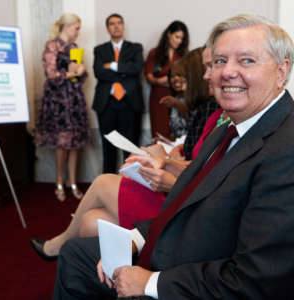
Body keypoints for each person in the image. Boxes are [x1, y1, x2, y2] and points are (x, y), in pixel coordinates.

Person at [53, 14, 294, 299]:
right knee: (76, 253)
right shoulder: (229, 128)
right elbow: (184, 202)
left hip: (191, 279)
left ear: (281, 71)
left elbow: (257, 280)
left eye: (246, 61)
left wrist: (151, 283)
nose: (226, 72)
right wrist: (134, 238)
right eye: (219, 61)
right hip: (172, 248)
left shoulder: (285, 150)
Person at [30, 47, 216, 261]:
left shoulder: (214, 112)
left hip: (180, 203)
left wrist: (167, 161)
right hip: (178, 190)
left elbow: (200, 170)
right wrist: (169, 157)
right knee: (90, 221)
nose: (207, 75)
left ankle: (58, 246)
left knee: (101, 182)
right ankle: (105, 271)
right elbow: (194, 157)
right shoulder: (209, 111)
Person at [35, 13, 90, 201]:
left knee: (74, 143)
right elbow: (51, 74)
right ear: (67, 27)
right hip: (58, 100)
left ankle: (72, 182)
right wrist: (70, 72)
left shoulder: (74, 47)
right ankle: (59, 181)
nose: (78, 32)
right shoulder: (52, 45)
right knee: (62, 142)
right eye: (76, 28)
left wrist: (81, 71)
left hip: (74, 99)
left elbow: (79, 77)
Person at [92, 13, 144, 174]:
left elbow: (136, 68)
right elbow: (99, 72)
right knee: (108, 149)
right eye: (112, 24)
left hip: (129, 102)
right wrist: (124, 70)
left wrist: (113, 65)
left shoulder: (135, 48)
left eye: (119, 23)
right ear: (108, 28)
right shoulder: (100, 50)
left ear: (123, 26)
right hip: (106, 104)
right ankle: (107, 184)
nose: (116, 26)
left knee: (129, 149)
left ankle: (129, 186)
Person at [145, 21, 189, 139]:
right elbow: (149, 76)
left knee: (178, 132)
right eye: (177, 37)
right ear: (169, 34)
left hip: (177, 96)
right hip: (158, 98)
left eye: (182, 38)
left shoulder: (183, 55)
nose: (179, 41)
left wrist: (173, 81)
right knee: (160, 133)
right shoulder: (155, 53)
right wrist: (160, 81)